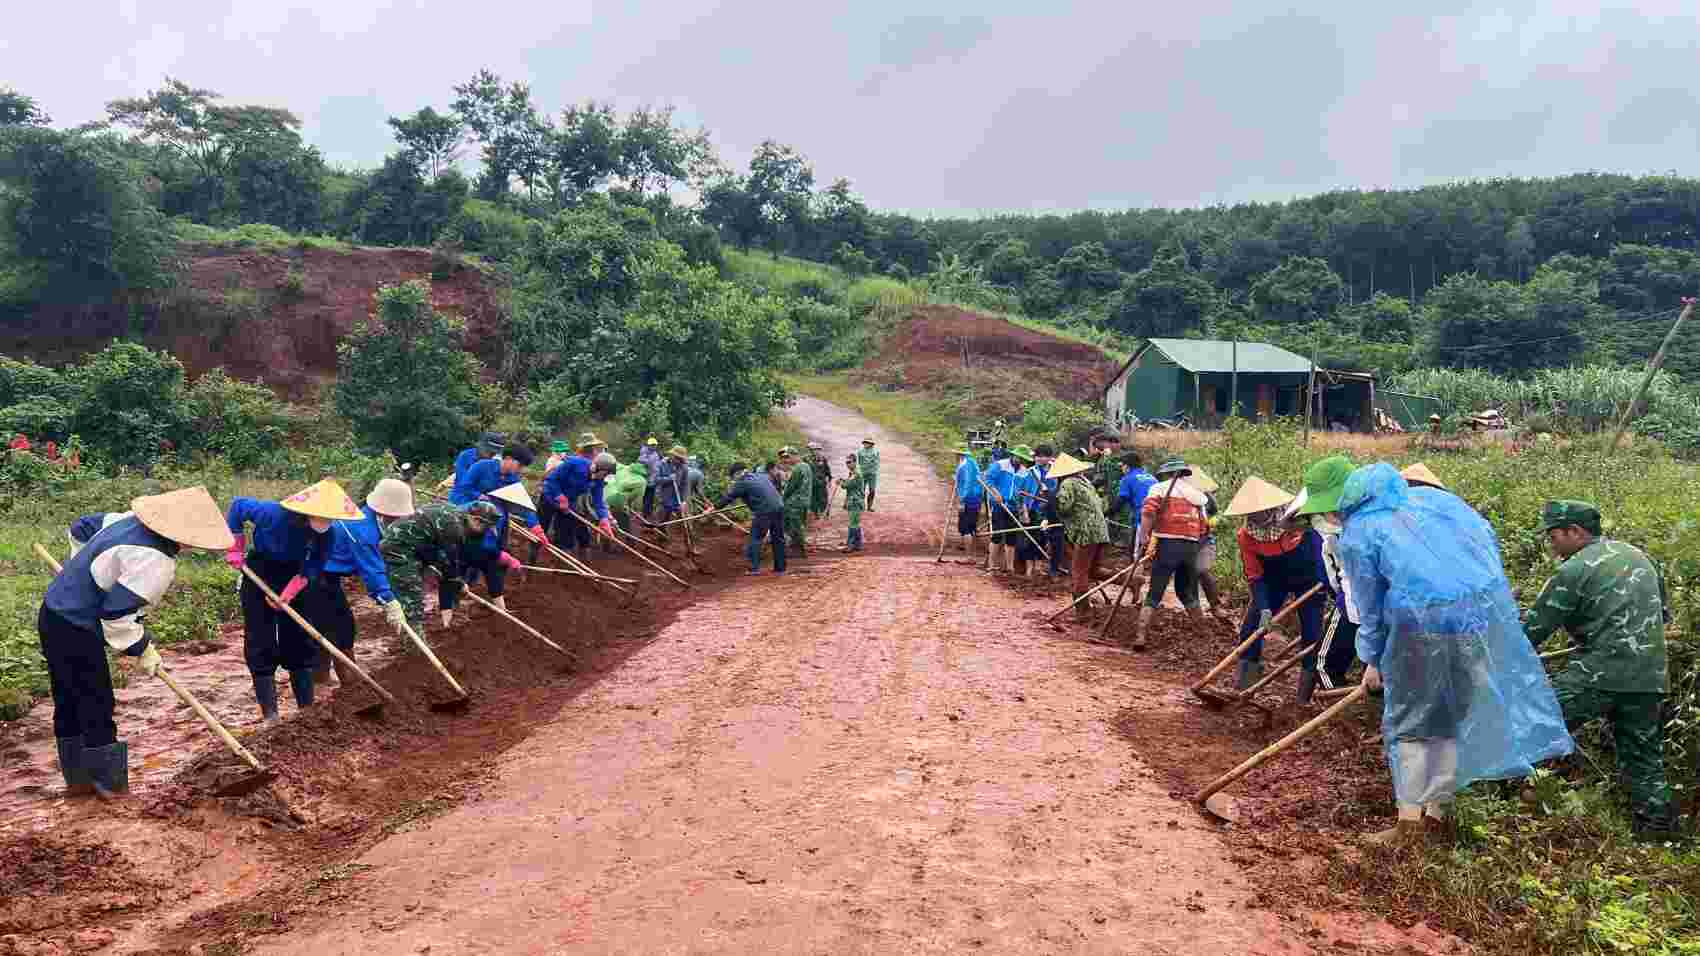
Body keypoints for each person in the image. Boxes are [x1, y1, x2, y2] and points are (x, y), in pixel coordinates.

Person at [1301, 462, 1573, 845]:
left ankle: (1409, 825)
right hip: (1479, 619)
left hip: (1419, 629)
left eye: (1325, 510)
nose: (1327, 518)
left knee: (1411, 725)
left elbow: (1371, 608)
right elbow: (1485, 543)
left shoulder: (1359, 533)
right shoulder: (1431, 501)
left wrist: (1374, 660)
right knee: (1449, 719)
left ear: (1339, 503)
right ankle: (1436, 818)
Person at [40, 487, 232, 798]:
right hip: (76, 626)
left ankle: (78, 786)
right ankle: (112, 792)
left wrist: (80, 571)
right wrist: (143, 648)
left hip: (52, 613)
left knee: (67, 701)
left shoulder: (127, 519)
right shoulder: (155, 561)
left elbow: (82, 527)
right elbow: (115, 614)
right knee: (96, 702)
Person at [1525, 500, 1679, 841]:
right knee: (1643, 758)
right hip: (1650, 676)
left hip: (1599, 673)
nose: (1551, 544)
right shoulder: (1641, 557)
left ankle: (1509, 807)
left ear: (1575, 532)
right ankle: (1661, 835)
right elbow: (1663, 618)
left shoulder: (1574, 570)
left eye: (1553, 535)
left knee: (1534, 724)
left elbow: (1531, 633)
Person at [226, 480, 361, 725]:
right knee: (260, 639)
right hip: (260, 571)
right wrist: (236, 546)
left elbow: (315, 565)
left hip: (293, 575)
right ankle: (271, 716)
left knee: (299, 639)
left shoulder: (326, 534)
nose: (326, 522)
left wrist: (291, 590)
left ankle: (306, 712)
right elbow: (237, 507)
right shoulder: (271, 513)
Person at [1223, 476, 1326, 700]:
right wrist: (1264, 607)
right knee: (1251, 628)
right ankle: (1244, 687)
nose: (1254, 516)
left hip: (1309, 581)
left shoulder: (1299, 524)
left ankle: (1303, 699)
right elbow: (1254, 574)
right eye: (1250, 513)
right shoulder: (1246, 536)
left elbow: (1321, 557)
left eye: (1259, 511)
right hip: (1273, 582)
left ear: (1271, 508)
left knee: (1312, 634)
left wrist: (1322, 586)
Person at [310, 478, 414, 685]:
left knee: (331, 627)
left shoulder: (368, 520)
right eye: (395, 517)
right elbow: (372, 572)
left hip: (326, 575)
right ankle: (349, 685)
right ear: (385, 512)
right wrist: (389, 602)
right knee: (341, 628)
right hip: (313, 575)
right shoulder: (362, 529)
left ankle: (322, 679)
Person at [1285, 457, 1363, 695]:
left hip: (1356, 607)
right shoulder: (1332, 536)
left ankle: (1346, 711)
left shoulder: (1333, 536)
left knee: (1324, 665)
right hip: (1356, 605)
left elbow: (1334, 577)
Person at [380, 500, 500, 638]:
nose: (484, 533)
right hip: (400, 548)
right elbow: (448, 563)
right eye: (485, 528)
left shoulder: (458, 515)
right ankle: (415, 650)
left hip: (417, 545)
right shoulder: (454, 528)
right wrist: (457, 581)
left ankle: (413, 640)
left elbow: (442, 559)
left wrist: (455, 579)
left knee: (422, 587)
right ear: (477, 520)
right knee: (412, 600)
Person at [1130, 459, 1212, 646]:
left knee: (1155, 592)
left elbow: (1148, 513)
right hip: (1191, 547)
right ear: (1184, 474)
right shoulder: (1197, 495)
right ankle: (1204, 634)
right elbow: (1205, 527)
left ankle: (1140, 636)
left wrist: (1144, 536)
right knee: (1186, 592)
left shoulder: (1159, 489)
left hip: (1167, 545)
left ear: (1166, 474)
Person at [1050, 453, 1111, 620]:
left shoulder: (1068, 483)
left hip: (1085, 532)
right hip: (1100, 530)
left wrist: (1050, 498)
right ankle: (1132, 580)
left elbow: (1064, 507)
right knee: (1093, 570)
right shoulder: (1086, 482)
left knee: (1078, 573)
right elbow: (1101, 504)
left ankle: (1083, 611)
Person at [542, 438, 617, 558]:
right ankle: (533, 554)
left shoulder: (598, 480)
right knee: (541, 528)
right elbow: (551, 480)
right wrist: (560, 497)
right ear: (598, 467)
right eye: (605, 473)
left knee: (565, 535)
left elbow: (598, 501)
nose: (605, 477)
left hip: (568, 504)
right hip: (549, 497)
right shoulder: (574, 464)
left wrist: (604, 519)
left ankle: (560, 560)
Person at [708, 462, 786, 574]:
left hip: (764, 511)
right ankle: (780, 568)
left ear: (738, 473)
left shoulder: (742, 482)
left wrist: (712, 509)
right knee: (778, 538)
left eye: (733, 477)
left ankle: (754, 568)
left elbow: (728, 498)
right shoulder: (759, 476)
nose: (733, 480)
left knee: (756, 538)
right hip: (779, 507)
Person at [981, 448, 1019, 573]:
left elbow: (1022, 489)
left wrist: (1021, 506)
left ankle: (1010, 567)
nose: (1020, 460)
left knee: (1011, 538)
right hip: (998, 505)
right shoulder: (1000, 465)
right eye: (1018, 457)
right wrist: (996, 494)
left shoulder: (1024, 470)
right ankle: (991, 565)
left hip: (1014, 507)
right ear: (1013, 456)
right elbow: (987, 478)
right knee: (997, 535)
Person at [1033, 445, 1068, 577]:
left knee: (1057, 540)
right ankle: (1041, 565)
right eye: (1038, 456)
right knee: (1039, 537)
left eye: (1044, 456)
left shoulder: (1060, 474)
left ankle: (1055, 567)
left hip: (1056, 509)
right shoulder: (1033, 471)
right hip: (1039, 508)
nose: (1041, 459)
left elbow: (1057, 494)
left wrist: (1048, 496)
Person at [1009, 446, 1044, 576]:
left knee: (1041, 539)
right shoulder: (1025, 474)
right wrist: (1024, 512)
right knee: (1026, 540)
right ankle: (1028, 569)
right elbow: (1017, 495)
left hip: (1041, 512)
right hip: (1027, 511)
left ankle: (1038, 568)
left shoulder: (1043, 472)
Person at [1116, 451, 1156, 553]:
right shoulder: (1152, 477)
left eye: (1122, 466)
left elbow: (1121, 501)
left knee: (1137, 551)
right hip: (1158, 519)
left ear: (1127, 466)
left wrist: (1105, 514)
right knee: (1152, 548)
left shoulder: (1128, 478)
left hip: (1142, 519)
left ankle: (1137, 566)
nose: (1122, 469)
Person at [536, 439, 571, 549]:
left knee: (557, 523)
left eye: (565, 451)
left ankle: (555, 544)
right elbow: (548, 475)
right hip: (550, 495)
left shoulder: (562, 461)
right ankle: (537, 545)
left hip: (557, 494)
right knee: (544, 521)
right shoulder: (554, 461)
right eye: (562, 451)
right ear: (557, 452)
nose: (564, 453)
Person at [602, 460, 650, 540]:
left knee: (607, 519)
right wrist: (637, 510)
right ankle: (629, 540)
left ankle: (607, 542)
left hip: (603, 493)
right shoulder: (641, 481)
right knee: (623, 520)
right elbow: (638, 499)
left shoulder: (622, 467)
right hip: (616, 499)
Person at [780, 446, 814, 557]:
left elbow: (790, 487)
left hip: (795, 502)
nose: (788, 460)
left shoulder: (797, 468)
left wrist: (783, 498)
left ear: (795, 456)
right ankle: (798, 548)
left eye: (789, 457)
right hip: (805, 500)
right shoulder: (807, 466)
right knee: (800, 524)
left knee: (795, 525)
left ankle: (799, 550)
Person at [953, 445, 982, 553]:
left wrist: (962, 500)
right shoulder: (971, 463)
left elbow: (968, 484)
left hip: (969, 499)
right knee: (969, 527)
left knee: (966, 528)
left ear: (959, 454)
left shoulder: (966, 464)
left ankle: (969, 556)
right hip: (975, 499)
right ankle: (968, 552)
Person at [655, 445, 693, 524]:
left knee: (684, 517)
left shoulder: (684, 467)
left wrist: (684, 501)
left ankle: (688, 532)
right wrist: (669, 479)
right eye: (676, 458)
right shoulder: (662, 464)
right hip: (664, 496)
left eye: (680, 459)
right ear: (672, 456)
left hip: (677, 497)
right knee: (663, 518)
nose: (678, 460)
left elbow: (685, 485)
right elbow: (656, 479)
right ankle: (661, 532)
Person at [838, 454, 867, 553]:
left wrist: (841, 483)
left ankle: (850, 545)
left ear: (855, 462)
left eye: (849, 462)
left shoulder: (856, 473)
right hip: (854, 501)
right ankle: (858, 545)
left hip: (856, 502)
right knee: (855, 524)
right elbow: (849, 485)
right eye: (846, 462)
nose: (848, 464)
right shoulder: (853, 473)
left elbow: (846, 485)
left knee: (853, 524)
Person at [638, 437, 662, 519]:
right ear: (648, 445)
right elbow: (643, 461)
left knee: (650, 497)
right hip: (646, 478)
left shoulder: (655, 454)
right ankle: (645, 514)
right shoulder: (645, 453)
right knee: (646, 497)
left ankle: (648, 513)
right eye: (652, 445)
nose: (653, 446)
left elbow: (656, 467)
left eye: (654, 445)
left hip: (653, 479)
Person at [809, 443, 832, 519]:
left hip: (822, 483)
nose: (815, 451)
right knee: (813, 499)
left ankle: (823, 512)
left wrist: (829, 479)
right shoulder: (806, 459)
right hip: (812, 483)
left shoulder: (823, 459)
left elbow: (827, 470)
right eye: (811, 450)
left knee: (823, 498)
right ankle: (816, 513)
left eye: (817, 450)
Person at [856, 439, 880, 511]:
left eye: (868, 443)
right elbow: (859, 462)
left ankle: (869, 506)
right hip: (863, 473)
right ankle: (861, 506)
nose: (866, 444)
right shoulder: (860, 451)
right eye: (865, 443)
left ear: (871, 444)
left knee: (872, 490)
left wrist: (870, 464)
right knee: (861, 490)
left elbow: (876, 462)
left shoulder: (876, 452)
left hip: (872, 473)